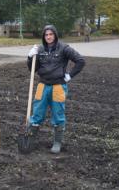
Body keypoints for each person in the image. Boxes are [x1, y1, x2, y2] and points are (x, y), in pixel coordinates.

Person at [27, 25, 85, 153]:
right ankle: (29, 141)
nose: (48, 37)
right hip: (42, 86)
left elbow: (80, 61)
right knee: (36, 114)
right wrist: (30, 57)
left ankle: (57, 143)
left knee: (58, 115)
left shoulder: (64, 48)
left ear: (55, 35)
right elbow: (32, 69)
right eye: (46, 35)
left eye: (51, 34)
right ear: (44, 36)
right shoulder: (40, 49)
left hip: (58, 86)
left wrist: (69, 76)